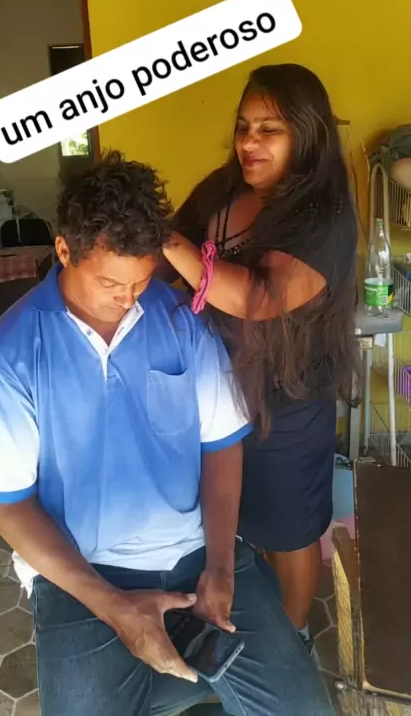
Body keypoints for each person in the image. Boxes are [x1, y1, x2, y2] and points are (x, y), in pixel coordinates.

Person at [0, 151, 331, 716]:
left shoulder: (181, 320)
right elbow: (11, 507)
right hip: (83, 572)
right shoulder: (5, 357)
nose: (127, 297)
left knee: (303, 708)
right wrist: (114, 608)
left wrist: (220, 567)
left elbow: (220, 447)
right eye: (109, 281)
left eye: (139, 279)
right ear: (64, 250)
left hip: (195, 556)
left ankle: (166, 675)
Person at [162, 64, 359, 652]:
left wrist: (160, 238)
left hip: (286, 402)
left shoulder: (324, 216)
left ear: (307, 133)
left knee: (289, 529)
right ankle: (243, 623)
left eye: (269, 129)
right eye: (244, 126)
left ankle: (292, 639)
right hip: (214, 393)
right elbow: (174, 260)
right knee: (230, 519)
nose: (249, 141)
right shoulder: (222, 190)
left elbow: (257, 297)